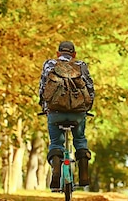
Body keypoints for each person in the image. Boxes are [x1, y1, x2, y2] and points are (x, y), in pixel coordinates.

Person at [39, 41, 95, 190]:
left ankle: (56, 167)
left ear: (58, 54)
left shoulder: (50, 64)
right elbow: (89, 87)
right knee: (80, 139)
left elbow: (43, 88)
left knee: (56, 142)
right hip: (78, 113)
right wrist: (86, 107)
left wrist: (44, 107)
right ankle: (83, 171)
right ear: (74, 54)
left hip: (55, 112)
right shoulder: (81, 65)